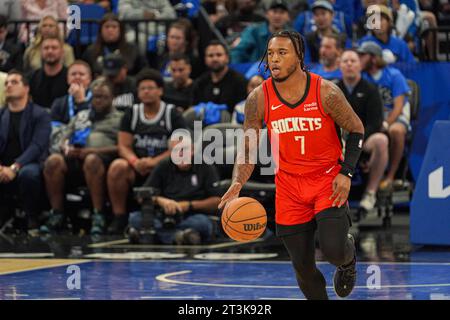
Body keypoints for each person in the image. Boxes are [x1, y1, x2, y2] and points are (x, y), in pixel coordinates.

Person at [219, 30, 364, 300]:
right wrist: (238, 181)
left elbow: (356, 129)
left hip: (326, 179)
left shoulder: (326, 91)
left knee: (333, 250)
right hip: (288, 185)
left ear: (299, 57)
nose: (274, 59)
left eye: (282, 53)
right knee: (302, 266)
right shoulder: (258, 98)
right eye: (270, 54)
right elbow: (248, 146)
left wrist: (346, 172)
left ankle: (348, 260)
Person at [106, 68, 186, 234]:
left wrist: (154, 162)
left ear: (160, 91)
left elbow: (179, 147)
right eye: (142, 88)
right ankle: (119, 216)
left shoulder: (172, 114)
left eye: (150, 88)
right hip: (138, 166)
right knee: (117, 166)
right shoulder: (132, 114)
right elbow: (123, 146)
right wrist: (136, 161)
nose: (146, 92)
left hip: (165, 167)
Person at [41, 78, 122, 235]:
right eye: (96, 96)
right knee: (53, 161)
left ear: (112, 98)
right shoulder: (81, 116)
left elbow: (123, 147)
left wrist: (93, 151)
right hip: (74, 160)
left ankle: (98, 215)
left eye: (103, 97)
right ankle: (57, 214)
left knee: (92, 160)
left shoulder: (120, 119)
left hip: (103, 162)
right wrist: (66, 148)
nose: (98, 101)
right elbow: (63, 138)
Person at [131, 135, 222, 245]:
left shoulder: (205, 166)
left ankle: (152, 236)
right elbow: (142, 195)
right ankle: (180, 237)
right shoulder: (163, 165)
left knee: (203, 224)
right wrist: (160, 201)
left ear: (192, 150)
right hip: (165, 216)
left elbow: (218, 201)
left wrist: (189, 205)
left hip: (192, 214)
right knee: (134, 218)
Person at [0, 70, 51, 232]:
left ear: (26, 88)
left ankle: (31, 217)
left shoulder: (40, 114)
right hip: (4, 165)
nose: (8, 85)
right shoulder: (1, 114)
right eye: (7, 82)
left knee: (28, 174)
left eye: (14, 82)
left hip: (30, 162)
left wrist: (15, 167)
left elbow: (37, 145)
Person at [357, 41, 411, 191]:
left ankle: (391, 176)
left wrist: (386, 123)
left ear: (373, 58)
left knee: (396, 131)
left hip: (392, 116)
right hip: (372, 117)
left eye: (363, 55)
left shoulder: (394, 75)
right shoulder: (361, 77)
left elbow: (399, 105)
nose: (359, 58)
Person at [337, 49, 386, 212]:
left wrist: (357, 141)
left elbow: (376, 122)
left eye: (353, 61)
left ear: (360, 66)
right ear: (340, 66)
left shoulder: (371, 89)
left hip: (364, 138)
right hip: (339, 139)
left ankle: (370, 193)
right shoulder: (333, 90)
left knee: (381, 140)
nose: (349, 64)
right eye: (345, 61)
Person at [81, 13, 147, 77]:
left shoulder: (132, 50)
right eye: (107, 27)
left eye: (114, 27)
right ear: (100, 30)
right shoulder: (91, 51)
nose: (110, 30)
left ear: (121, 30)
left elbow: (143, 73)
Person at [192, 40, 248, 114]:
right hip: (203, 124)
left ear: (227, 58)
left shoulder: (240, 82)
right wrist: (197, 126)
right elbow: (196, 114)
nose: (215, 59)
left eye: (219, 55)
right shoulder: (200, 83)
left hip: (231, 124)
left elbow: (242, 111)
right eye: (210, 55)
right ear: (205, 60)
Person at [28, 35, 69, 109]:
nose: (50, 51)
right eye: (46, 48)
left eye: (54, 48)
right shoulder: (33, 77)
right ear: (41, 51)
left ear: (62, 52)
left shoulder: (69, 77)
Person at [50, 60, 93, 125]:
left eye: (81, 74)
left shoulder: (97, 100)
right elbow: (54, 127)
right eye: (73, 74)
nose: (77, 77)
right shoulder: (59, 103)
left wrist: (81, 102)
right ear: (68, 79)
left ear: (89, 79)